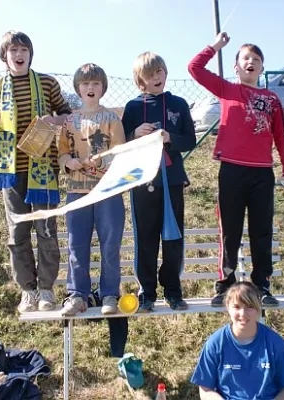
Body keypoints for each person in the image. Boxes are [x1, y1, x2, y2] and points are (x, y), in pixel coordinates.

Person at [188, 32, 284, 307]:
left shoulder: (271, 99)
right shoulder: (228, 90)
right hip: (231, 171)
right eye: (245, 58)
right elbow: (194, 68)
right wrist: (215, 46)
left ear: (261, 67)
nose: (251, 62)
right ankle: (225, 284)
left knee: (261, 230)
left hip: (262, 174)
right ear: (236, 66)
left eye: (256, 59)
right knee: (230, 231)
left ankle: (262, 285)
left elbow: (281, 136)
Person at [0, 31, 72, 313]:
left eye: (24, 50)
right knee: (17, 232)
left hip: (43, 168)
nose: (19, 55)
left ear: (31, 54)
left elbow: (67, 115)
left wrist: (50, 120)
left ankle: (46, 290)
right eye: (13, 50)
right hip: (10, 171)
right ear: (5, 56)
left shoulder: (47, 83)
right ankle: (28, 291)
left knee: (45, 229)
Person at [122, 51, 196, 313]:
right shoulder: (132, 108)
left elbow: (190, 140)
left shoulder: (179, 104)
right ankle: (147, 292)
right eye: (151, 74)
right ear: (140, 79)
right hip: (143, 182)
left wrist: (169, 137)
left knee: (173, 238)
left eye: (161, 71)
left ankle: (173, 291)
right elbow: (120, 144)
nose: (157, 77)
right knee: (146, 237)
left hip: (173, 180)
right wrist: (134, 134)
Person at [58, 63, 126, 316]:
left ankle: (109, 293)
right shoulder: (70, 120)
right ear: (77, 88)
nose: (90, 87)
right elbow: (62, 152)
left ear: (103, 88)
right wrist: (69, 162)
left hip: (108, 190)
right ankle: (77, 294)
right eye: (86, 83)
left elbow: (120, 150)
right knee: (77, 243)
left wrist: (104, 159)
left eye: (96, 83)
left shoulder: (111, 118)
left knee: (110, 243)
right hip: (77, 190)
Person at [191, 281, 284, 400]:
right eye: (236, 307)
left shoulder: (275, 343)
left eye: (250, 307)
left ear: (258, 308)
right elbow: (205, 390)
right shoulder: (215, 343)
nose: (243, 314)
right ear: (227, 307)